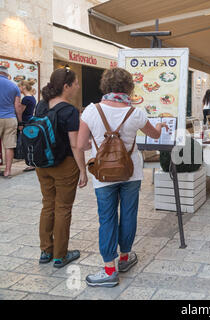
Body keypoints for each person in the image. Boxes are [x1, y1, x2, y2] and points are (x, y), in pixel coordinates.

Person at [77, 68, 168, 287]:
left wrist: (95, 143)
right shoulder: (135, 113)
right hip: (131, 172)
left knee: (107, 219)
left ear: (105, 86)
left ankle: (109, 270)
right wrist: (159, 125)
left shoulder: (91, 111)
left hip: (103, 174)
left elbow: (80, 145)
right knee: (128, 215)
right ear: (129, 87)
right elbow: (154, 135)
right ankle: (125, 258)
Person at [35, 67, 87, 268]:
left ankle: (45, 251)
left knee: (48, 205)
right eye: (75, 83)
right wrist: (82, 169)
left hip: (42, 164)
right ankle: (60, 255)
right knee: (63, 208)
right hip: (64, 165)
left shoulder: (41, 105)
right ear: (66, 87)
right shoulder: (69, 111)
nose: (78, 86)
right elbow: (75, 145)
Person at [0, 65, 23, 178]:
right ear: (7, 74)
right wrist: (20, 122)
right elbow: (18, 106)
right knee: (9, 146)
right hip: (10, 119)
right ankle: (7, 171)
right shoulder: (14, 86)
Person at [18, 80, 37, 172]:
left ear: (23, 87)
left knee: (27, 144)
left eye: (19, 87)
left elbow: (20, 112)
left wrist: (20, 123)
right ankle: (32, 163)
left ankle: (31, 164)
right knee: (30, 143)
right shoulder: (32, 97)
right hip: (30, 121)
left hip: (25, 122)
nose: (18, 89)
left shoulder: (26, 99)